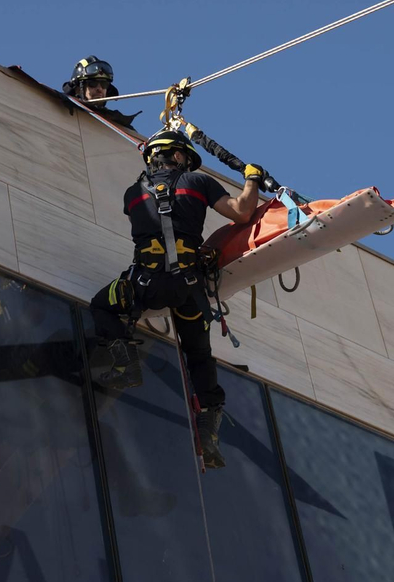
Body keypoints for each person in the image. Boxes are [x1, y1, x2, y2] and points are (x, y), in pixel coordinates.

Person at [89, 128, 265, 468]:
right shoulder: (198, 182)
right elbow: (243, 212)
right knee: (199, 355)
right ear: (180, 155)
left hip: (145, 284)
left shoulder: (131, 194)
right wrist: (252, 178)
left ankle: (126, 364)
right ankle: (209, 429)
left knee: (102, 305)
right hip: (188, 288)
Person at [60, 56, 141, 132]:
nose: (100, 89)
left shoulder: (121, 127)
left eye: (104, 85)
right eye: (93, 84)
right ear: (78, 89)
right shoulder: (60, 108)